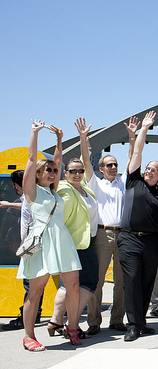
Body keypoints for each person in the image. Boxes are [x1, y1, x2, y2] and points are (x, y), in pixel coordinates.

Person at [19, 121, 82, 351]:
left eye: (55, 171)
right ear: (38, 174)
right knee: (36, 290)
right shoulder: (32, 191)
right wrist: (34, 132)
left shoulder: (54, 191)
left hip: (61, 240)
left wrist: (59, 141)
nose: (53, 172)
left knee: (73, 285)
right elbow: (31, 159)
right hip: (41, 242)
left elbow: (57, 160)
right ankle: (28, 336)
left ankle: (72, 328)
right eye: (49, 170)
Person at [76, 116, 138, 335]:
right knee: (98, 279)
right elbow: (85, 161)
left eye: (115, 165)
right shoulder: (96, 183)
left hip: (123, 236)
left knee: (121, 281)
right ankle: (94, 321)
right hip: (102, 235)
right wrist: (84, 139)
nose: (113, 167)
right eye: (109, 165)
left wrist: (132, 136)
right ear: (101, 168)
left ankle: (117, 320)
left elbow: (133, 158)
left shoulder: (123, 182)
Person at [117, 111, 158, 341]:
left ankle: (141, 321)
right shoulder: (133, 180)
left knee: (146, 282)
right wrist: (143, 129)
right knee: (133, 280)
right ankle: (133, 325)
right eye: (148, 168)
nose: (149, 171)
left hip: (150, 241)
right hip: (129, 239)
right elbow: (137, 152)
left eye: (154, 170)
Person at [48, 157, 100, 339]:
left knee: (71, 284)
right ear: (65, 173)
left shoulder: (84, 189)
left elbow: (87, 161)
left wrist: (84, 139)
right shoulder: (64, 190)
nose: (77, 174)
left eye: (80, 171)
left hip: (86, 241)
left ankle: (56, 320)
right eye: (72, 171)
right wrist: (59, 144)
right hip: (74, 243)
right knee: (88, 282)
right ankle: (72, 324)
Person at [0, 170, 43, 331]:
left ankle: (27, 317)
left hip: (27, 247)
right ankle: (35, 313)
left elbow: (7, 221)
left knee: (30, 284)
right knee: (36, 283)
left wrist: (8, 205)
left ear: (16, 185)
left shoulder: (28, 198)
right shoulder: (40, 195)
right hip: (35, 246)